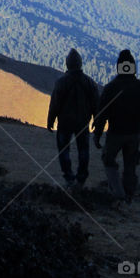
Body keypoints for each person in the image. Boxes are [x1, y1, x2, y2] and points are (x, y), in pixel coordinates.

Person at [93, 49, 140, 204]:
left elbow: (102, 113)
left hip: (115, 133)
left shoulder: (111, 88)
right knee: (130, 165)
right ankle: (128, 195)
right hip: (134, 134)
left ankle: (117, 192)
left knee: (108, 159)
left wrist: (97, 134)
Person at [47, 48, 99, 188]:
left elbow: (55, 103)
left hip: (64, 123)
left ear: (67, 64)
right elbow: (96, 104)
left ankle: (69, 177)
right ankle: (81, 178)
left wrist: (50, 120)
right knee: (83, 150)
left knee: (64, 150)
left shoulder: (61, 82)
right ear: (80, 64)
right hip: (83, 122)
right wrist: (96, 120)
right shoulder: (89, 82)